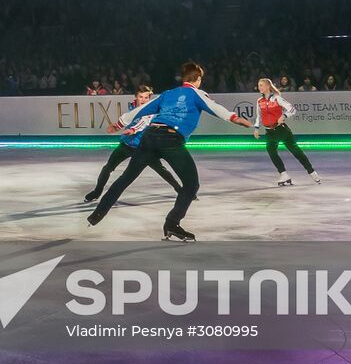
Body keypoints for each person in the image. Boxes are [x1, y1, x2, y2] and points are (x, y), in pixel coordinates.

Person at [87, 62, 252, 240]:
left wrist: (119, 123)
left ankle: (98, 214)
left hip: (149, 136)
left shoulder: (167, 94)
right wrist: (234, 118)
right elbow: (215, 108)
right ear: (197, 79)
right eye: (200, 79)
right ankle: (172, 223)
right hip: (171, 139)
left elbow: (142, 109)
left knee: (126, 177)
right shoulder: (197, 93)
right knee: (191, 185)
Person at [84, 85, 181, 203]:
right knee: (108, 167)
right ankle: (97, 191)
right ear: (136, 97)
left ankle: (180, 190)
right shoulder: (132, 107)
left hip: (144, 148)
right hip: (127, 144)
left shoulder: (151, 110)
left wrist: (132, 130)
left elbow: (143, 121)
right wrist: (117, 127)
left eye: (146, 97)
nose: (143, 100)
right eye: (141, 97)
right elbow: (125, 120)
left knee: (161, 170)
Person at [253, 78, 320, 186]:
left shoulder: (277, 98)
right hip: (269, 132)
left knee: (296, 152)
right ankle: (283, 174)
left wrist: (284, 116)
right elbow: (259, 116)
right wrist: (256, 128)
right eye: (259, 85)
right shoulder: (259, 101)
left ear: (267, 86)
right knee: (272, 152)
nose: (259, 87)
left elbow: (292, 109)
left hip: (282, 130)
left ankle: (312, 172)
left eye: (261, 85)